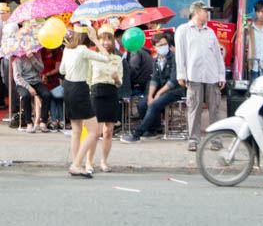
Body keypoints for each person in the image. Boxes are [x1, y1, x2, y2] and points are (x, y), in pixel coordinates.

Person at [60, 24, 111, 178]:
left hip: (68, 88)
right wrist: (96, 40)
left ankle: (76, 163)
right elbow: (106, 58)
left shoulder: (67, 50)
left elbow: (62, 71)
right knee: (93, 131)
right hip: (79, 89)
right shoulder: (83, 50)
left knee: (76, 131)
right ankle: (76, 164)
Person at [176, 0, 225, 152]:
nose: (207, 13)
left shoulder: (209, 32)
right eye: (205, 11)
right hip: (193, 74)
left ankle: (216, 139)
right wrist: (181, 74)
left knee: (214, 109)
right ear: (196, 12)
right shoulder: (183, 30)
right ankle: (193, 140)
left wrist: (221, 75)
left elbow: (217, 55)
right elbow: (180, 54)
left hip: (211, 75)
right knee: (194, 109)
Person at [121, 32, 186, 142]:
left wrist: (158, 94)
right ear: (154, 47)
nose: (163, 47)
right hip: (161, 89)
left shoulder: (174, 57)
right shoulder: (156, 60)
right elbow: (154, 79)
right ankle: (153, 129)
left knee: (154, 105)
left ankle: (137, 134)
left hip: (175, 90)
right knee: (142, 104)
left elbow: (173, 80)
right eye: (160, 45)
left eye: (164, 44)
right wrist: (150, 95)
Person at [86, 25, 123, 173]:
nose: (106, 42)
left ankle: (104, 161)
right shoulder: (92, 56)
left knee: (109, 131)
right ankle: (89, 162)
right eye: (103, 39)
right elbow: (88, 79)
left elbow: (121, 82)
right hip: (96, 92)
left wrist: (116, 79)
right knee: (95, 131)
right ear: (98, 40)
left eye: (109, 39)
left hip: (111, 92)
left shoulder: (118, 59)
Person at [13, 49, 51, 133]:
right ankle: (28, 122)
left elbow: (41, 69)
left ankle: (43, 122)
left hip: (37, 81)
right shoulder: (17, 59)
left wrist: (32, 58)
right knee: (26, 96)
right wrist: (28, 87)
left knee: (47, 95)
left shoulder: (37, 55)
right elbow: (17, 77)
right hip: (23, 83)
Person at [41, 46, 64, 131]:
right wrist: (42, 76)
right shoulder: (41, 51)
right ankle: (54, 120)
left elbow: (57, 69)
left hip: (54, 78)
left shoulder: (58, 52)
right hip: (42, 79)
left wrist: (46, 74)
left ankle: (60, 120)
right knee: (49, 97)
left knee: (56, 97)